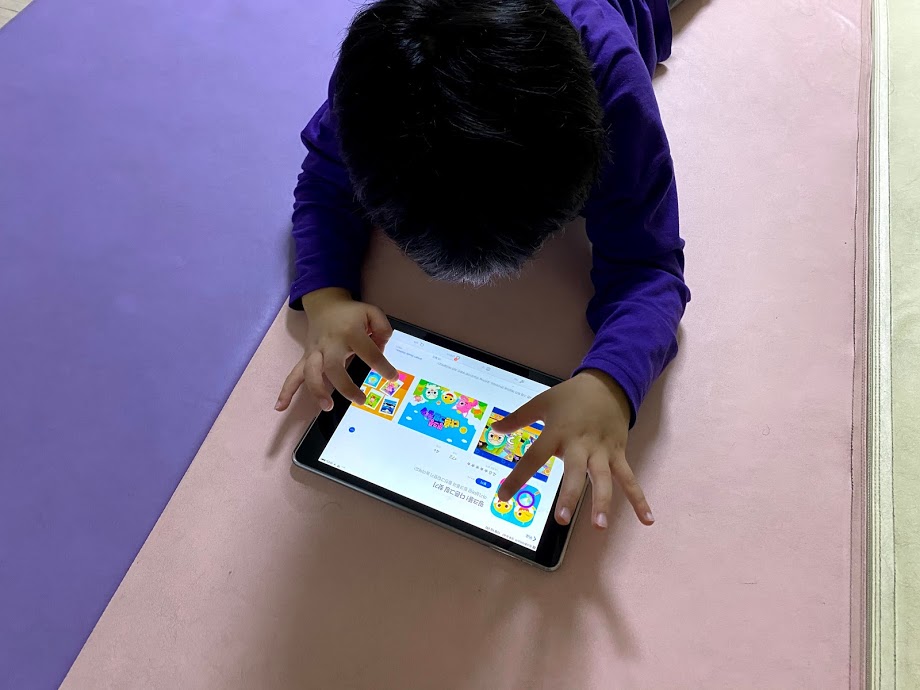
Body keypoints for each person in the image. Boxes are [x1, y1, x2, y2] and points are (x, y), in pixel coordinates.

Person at [275, 0, 689, 533]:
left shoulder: (615, 87)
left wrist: (611, 382)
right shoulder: (377, 78)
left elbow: (650, 265)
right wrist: (326, 298)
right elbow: (323, 180)